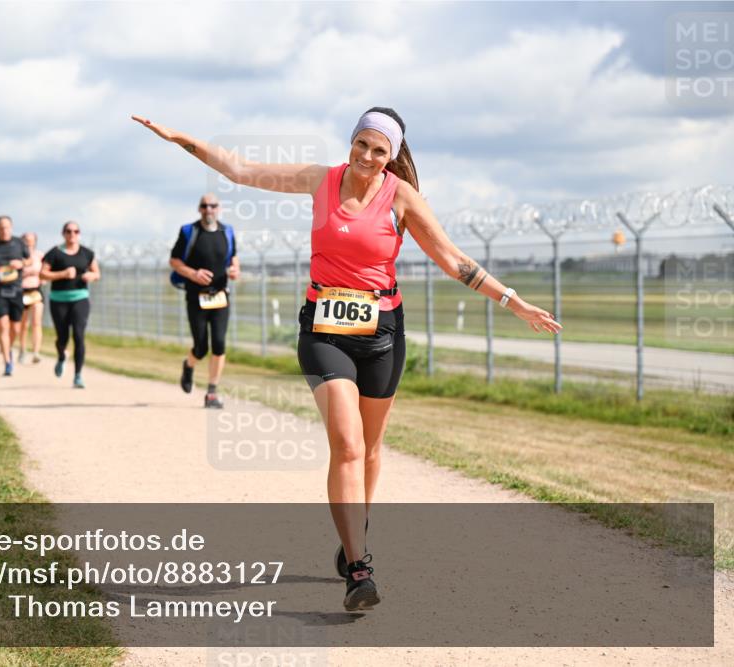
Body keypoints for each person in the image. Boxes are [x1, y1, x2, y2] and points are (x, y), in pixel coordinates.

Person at [134, 109, 561, 611]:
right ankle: (359, 570)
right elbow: (240, 169)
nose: (367, 156)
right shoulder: (321, 180)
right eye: (362, 144)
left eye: (380, 151)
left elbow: (454, 261)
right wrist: (178, 136)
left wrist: (514, 301)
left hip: (382, 332)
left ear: (392, 156)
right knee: (348, 444)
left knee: (373, 448)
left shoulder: (402, 197)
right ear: (352, 141)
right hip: (323, 329)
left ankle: (353, 533)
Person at [169, 193, 240, 409]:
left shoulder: (227, 231)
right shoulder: (189, 232)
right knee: (201, 346)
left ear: (219, 208)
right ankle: (189, 365)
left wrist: (236, 269)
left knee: (219, 343)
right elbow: (174, 261)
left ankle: (211, 392)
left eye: (213, 206)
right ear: (199, 209)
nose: (209, 209)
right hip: (196, 296)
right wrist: (193, 274)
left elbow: (234, 256)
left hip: (220, 296)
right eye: (204, 206)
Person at [40, 221, 100, 387]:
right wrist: (62, 274)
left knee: (79, 335)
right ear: (63, 233)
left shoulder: (87, 253)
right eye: (68, 231)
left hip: (80, 298)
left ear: (79, 233)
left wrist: (91, 276)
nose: (72, 234)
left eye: (75, 231)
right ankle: (61, 356)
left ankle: (78, 375)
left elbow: (97, 272)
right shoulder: (54, 253)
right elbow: (43, 274)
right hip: (59, 299)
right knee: (62, 337)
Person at [0, 215, 30, 376]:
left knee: (15, 328)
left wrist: (21, 264)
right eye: (1, 227)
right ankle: (8, 363)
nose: (4, 230)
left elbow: (29, 260)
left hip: (16, 290)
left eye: (7, 227)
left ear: (12, 227)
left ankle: (7, 347)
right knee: (3, 326)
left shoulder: (19, 243)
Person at [18, 232, 45, 365]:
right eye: (26, 240)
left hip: (35, 291)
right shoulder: (18, 256)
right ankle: (22, 350)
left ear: (35, 241)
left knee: (36, 323)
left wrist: (41, 277)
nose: (28, 242)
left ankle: (36, 352)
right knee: (24, 324)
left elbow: (45, 272)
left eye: (31, 240)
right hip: (21, 291)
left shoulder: (40, 255)